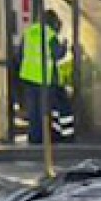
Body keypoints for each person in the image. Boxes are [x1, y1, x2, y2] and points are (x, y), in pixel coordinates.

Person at [17, 9, 74, 145]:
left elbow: (20, 53)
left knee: (33, 110)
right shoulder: (50, 35)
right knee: (45, 109)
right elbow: (57, 54)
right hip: (44, 79)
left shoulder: (29, 32)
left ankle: (34, 137)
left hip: (28, 77)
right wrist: (65, 46)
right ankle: (44, 137)